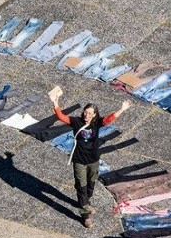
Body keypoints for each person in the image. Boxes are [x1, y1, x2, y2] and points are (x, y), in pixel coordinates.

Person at [48, 87, 130, 228]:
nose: (86, 115)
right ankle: (85, 214)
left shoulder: (96, 123)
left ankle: (85, 202)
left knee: (90, 186)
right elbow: (62, 117)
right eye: (85, 112)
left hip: (93, 160)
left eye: (90, 113)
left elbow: (109, 119)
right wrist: (56, 102)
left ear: (94, 115)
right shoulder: (76, 122)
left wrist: (122, 109)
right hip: (79, 161)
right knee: (81, 186)